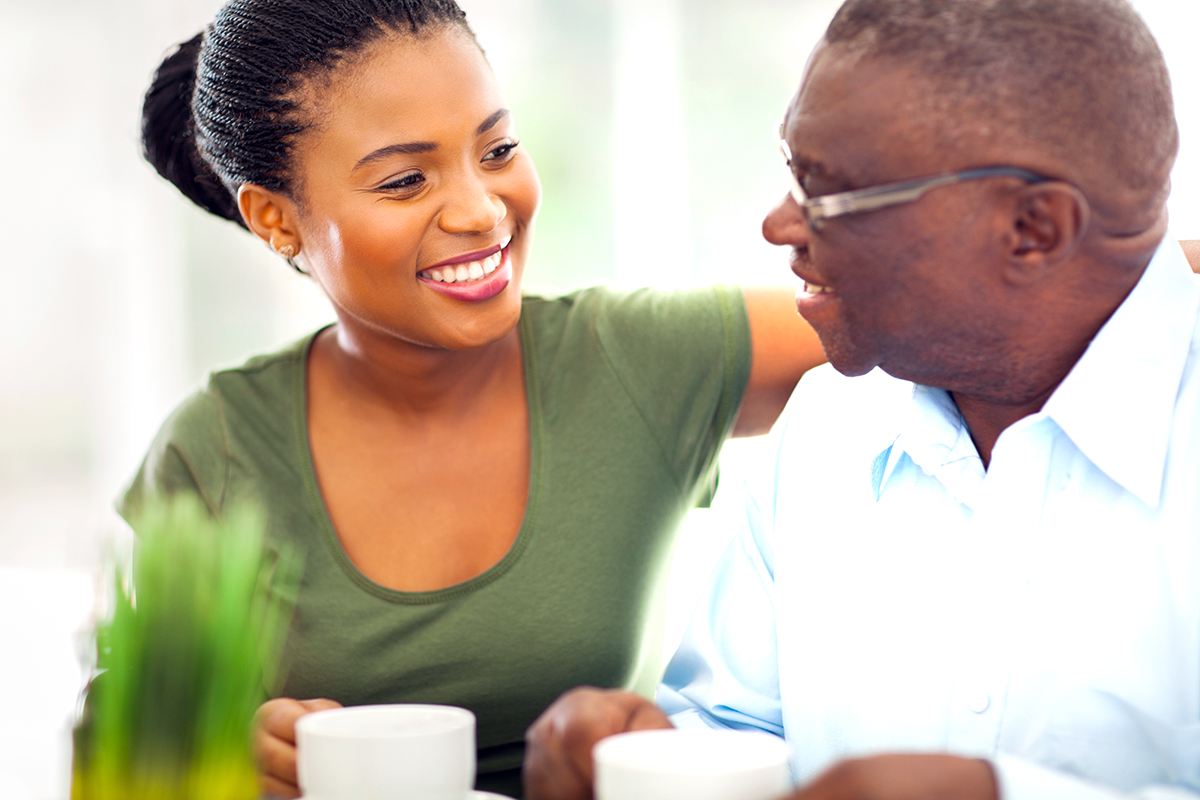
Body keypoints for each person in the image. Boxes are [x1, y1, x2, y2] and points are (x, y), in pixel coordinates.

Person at [125, 0, 828, 797]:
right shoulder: (212, 453)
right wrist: (211, 751)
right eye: (404, 180)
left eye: (496, 149)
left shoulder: (641, 361)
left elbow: (908, 320)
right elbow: (126, 741)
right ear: (276, 219)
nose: (481, 209)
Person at [523, 1, 1200, 799]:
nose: (778, 225)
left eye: (828, 193)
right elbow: (741, 728)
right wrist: (650, 753)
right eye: (790, 173)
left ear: (1033, 228)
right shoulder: (825, 428)